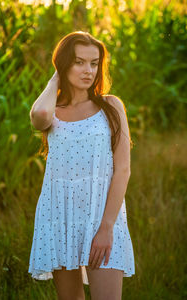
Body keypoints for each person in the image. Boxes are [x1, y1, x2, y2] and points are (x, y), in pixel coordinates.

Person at [28, 31, 135, 300]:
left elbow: (123, 170)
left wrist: (106, 227)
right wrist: (57, 75)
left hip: (102, 217)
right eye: (78, 62)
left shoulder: (111, 107)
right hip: (60, 217)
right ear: (64, 64)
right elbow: (38, 116)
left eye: (94, 63)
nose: (88, 70)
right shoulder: (52, 112)